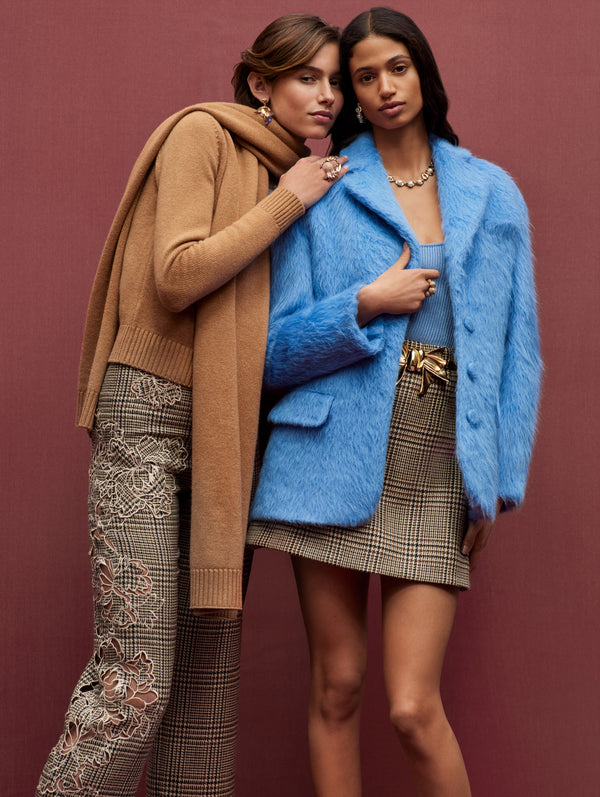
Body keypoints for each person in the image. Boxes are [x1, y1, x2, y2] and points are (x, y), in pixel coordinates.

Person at [36, 14, 346, 797]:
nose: (329, 96)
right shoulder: (202, 137)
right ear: (259, 84)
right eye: (309, 77)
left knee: (205, 696)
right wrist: (288, 202)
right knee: (135, 680)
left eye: (336, 81)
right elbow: (175, 274)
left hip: (233, 429)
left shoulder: (306, 176)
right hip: (146, 411)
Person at [247, 7, 541, 796]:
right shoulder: (325, 191)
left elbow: (520, 355)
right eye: (361, 77)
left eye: (395, 69)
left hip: (438, 453)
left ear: (423, 72)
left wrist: (496, 480)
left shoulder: (492, 192)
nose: (380, 89)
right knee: (337, 686)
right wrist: (364, 304)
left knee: (413, 707)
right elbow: (271, 351)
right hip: (328, 453)